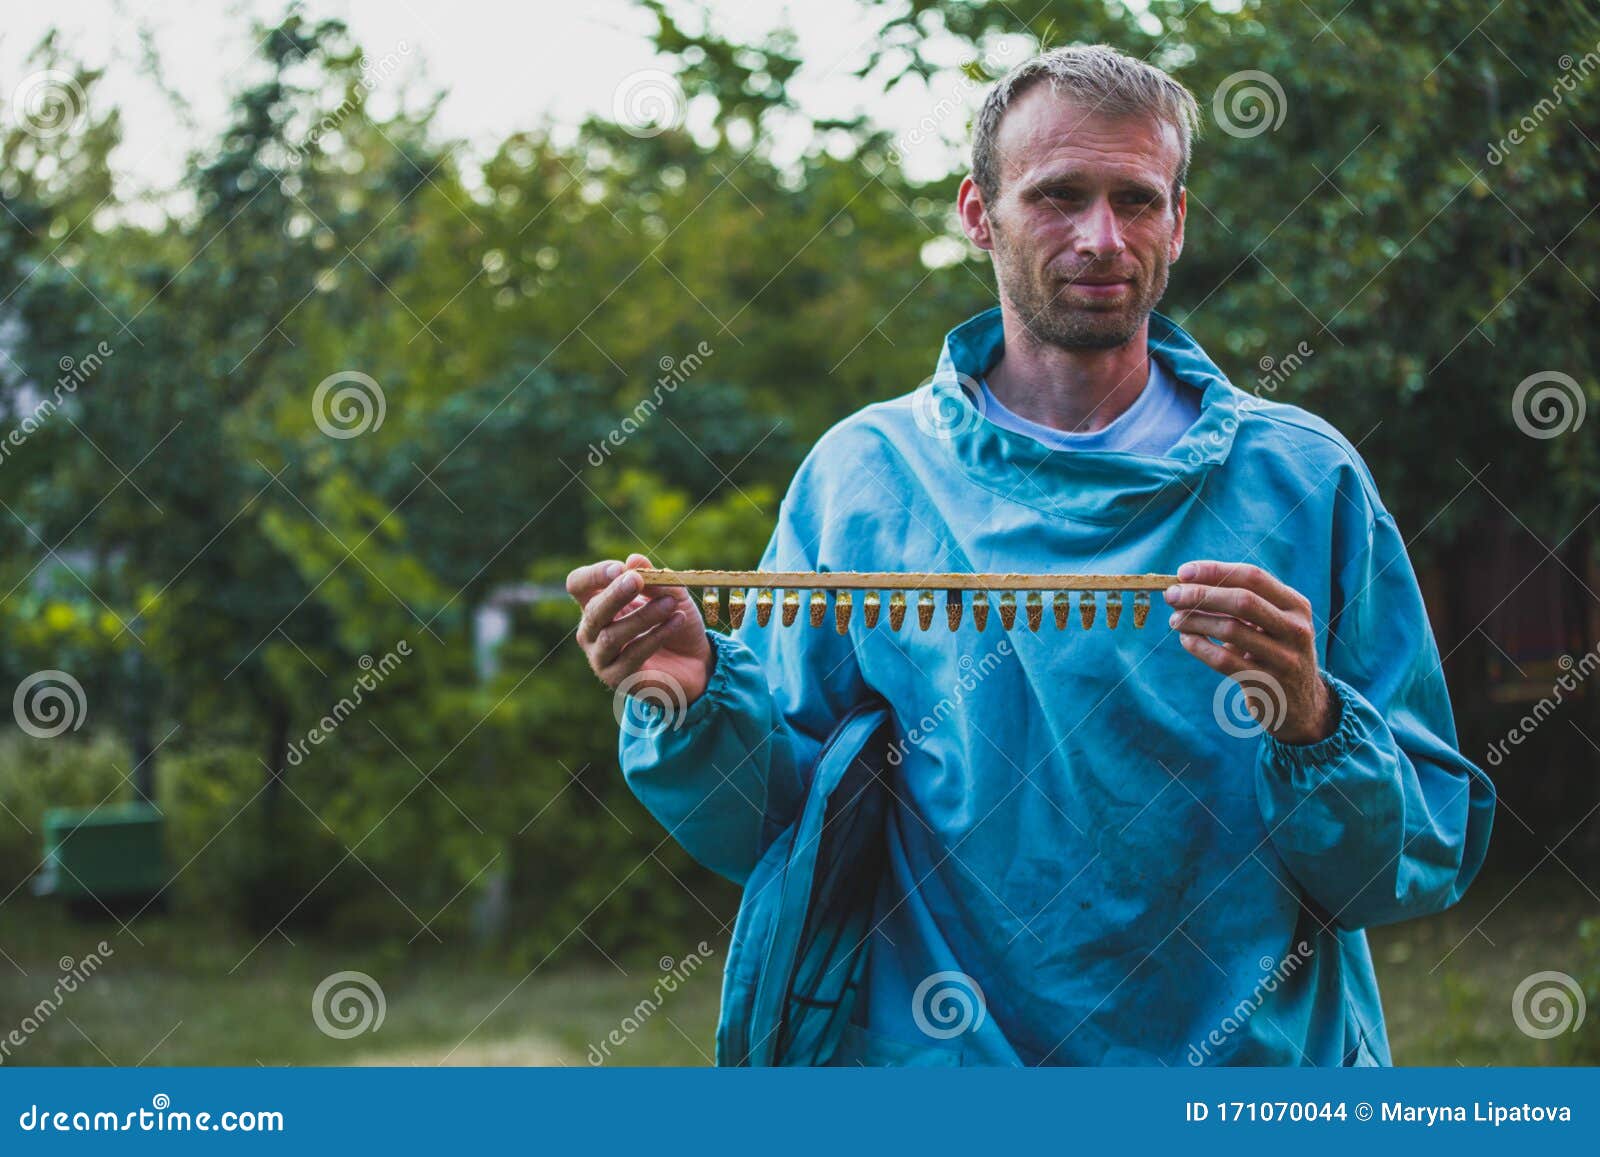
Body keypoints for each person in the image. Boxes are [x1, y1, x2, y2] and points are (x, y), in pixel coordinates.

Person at [567, 44, 1494, 1065]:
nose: (1102, 238)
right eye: (1058, 196)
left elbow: (1414, 859)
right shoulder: (864, 481)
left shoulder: (1300, 481)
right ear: (978, 212)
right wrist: (695, 702)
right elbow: (781, 831)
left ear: (1177, 223)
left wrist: (1315, 721)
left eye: (1136, 201)